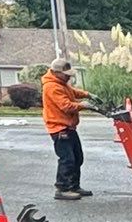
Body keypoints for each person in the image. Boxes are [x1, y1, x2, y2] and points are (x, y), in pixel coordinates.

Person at [40, 57, 97, 199]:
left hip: (69, 127)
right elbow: (66, 106)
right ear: (56, 72)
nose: (68, 77)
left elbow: (72, 92)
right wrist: (83, 105)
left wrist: (87, 94)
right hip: (59, 128)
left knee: (77, 157)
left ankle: (74, 186)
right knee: (67, 159)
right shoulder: (52, 87)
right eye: (66, 75)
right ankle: (62, 188)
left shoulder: (61, 83)